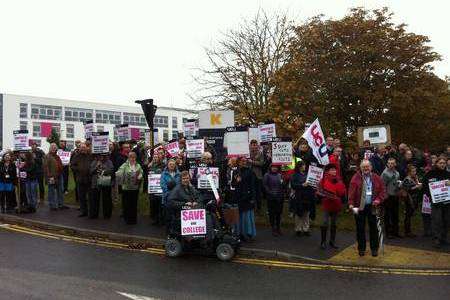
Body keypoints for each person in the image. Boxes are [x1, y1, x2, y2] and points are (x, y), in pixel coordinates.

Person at [348, 160, 386, 257]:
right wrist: (351, 203)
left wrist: (378, 200)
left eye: (367, 166)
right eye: (364, 167)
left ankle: (374, 249)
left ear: (371, 167)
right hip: (359, 206)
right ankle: (361, 248)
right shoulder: (355, 178)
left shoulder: (377, 177)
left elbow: (383, 191)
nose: (366, 168)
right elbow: (351, 192)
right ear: (360, 168)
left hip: (372, 206)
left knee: (373, 228)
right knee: (360, 228)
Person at [317, 164, 346, 250]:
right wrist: (323, 195)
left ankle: (332, 241)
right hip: (327, 204)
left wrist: (341, 193)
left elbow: (341, 192)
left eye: (335, 170)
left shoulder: (339, 180)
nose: (334, 171)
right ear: (328, 171)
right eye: (332, 170)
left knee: (334, 224)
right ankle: (323, 242)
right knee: (325, 223)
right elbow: (319, 191)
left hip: (336, 205)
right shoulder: (323, 180)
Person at [422, 157, 450, 248]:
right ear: (436, 164)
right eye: (440, 163)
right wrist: (431, 196)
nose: (442, 165)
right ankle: (436, 238)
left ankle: (444, 238)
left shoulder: (448, 174)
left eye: (444, 163)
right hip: (436, 203)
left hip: (447, 202)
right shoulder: (430, 174)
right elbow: (425, 187)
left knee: (446, 220)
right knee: (436, 220)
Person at [167, 171, 202, 235]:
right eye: (184, 178)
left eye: (187, 178)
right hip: (181, 215)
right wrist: (184, 204)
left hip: (192, 214)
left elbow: (198, 196)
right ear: (181, 179)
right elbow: (170, 202)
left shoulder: (191, 188)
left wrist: (196, 202)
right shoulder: (177, 189)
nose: (186, 180)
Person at [116, 151, 143, 225]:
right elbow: (119, 172)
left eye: (134, 157)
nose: (132, 159)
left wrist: (140, 175)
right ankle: (127, 219)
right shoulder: (124, 165)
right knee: (126, 204)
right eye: (131, 157)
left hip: (135, 188)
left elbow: (141, 172)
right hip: (126, 188)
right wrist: (121, 174)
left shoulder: (138, 165)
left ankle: (133, 219)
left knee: (134, 204)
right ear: (128, 158)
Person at [290, 162, 315, 236]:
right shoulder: (295, 175)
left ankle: (306, 229)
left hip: (307, 196)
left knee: (306, 213)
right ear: (300, 167)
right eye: (303, 165)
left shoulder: (307, 174)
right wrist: (302, 185)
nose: (305, 166)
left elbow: (312, 183)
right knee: (299, 213)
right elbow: (293, 185)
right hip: (299, 196)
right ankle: (298, 229)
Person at [236, 157, 257, 241]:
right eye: (242, 161)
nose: (244, 162)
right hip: (238, 197)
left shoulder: (250, 171)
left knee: (247, 217)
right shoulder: (235, 171)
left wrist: (252, 197)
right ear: (238, 162)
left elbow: (253, 185)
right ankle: (240, 233)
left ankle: (249, 233)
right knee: (240, 217)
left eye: (245, 161)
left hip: (247, 197)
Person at [71, 142, 93, 217]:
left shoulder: (90, 156)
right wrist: (78, 169)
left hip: (89, 179)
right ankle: (84, 212)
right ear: (79, 148)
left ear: (87, 148)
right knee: (82, 196)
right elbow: (72, 165)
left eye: (84, 147)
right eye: (82, 148)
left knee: (90, 197)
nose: (83, 149)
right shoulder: (76, 156)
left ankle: (91, 212)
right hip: (80, 179)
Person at [381, 157, 402, 239]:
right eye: (389, 163)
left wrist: (399, 185)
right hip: (388, 196)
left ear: (395, 164)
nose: (391, 165)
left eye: (392, 163)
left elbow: (397, 182)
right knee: (387, 215)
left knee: (395, 214)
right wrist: (385, 195)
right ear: (387, 164)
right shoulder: (385, 173)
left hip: (395, 195)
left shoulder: (397, 173)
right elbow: (382, 185)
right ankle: (388, 232)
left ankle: (395, 231)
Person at [89, 154, 114, 219]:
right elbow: (91, 171)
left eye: (103, 156)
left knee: (107, 199)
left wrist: (103, 171)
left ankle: (107, 215)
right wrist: (96, 167)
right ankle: (94, 214)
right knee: (95, 199)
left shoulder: (109, 161)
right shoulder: (94, 161)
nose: (101, 157)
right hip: (95, 183)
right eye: (100, 156)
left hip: (105, 182)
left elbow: (111, 170)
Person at [401, 165, 423, 237]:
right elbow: (407, 189)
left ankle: (409, 231)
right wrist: (416, 186)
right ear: (409, 172)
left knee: (410, 215)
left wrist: (417, 182)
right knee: (408, 215)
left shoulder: (414, 178)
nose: (415, 172)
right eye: (413, 171)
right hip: (409, 199)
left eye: (415, 171)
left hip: (414, 199)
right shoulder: (407, 179)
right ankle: (407, 231)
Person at [263, 164, 285, 236]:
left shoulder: (280, 175)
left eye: (276, 167)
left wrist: (283, 182)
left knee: (279, 213)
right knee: (272, 214)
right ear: (270, 168)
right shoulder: (267, 175)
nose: (274, 168)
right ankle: (273, 228)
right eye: (273, 167)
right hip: (271, 198)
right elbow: (265, 185)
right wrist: (270, 192)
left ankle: (278, 227)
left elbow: (283, 186)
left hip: (279, 197)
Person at [43, 143, 64, 211]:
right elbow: (46, 167)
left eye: (55, 147)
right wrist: (49, 176)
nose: (53, 148)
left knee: (60, 190)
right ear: (50, 148)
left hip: (59, 175)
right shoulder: (47, 156)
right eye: (52, 147)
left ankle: (60, 204)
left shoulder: (57, 156)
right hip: (51, 176)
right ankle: (52, 205)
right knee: (51, 191)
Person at [160, 159, 181, 224]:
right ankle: (168, 232)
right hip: (167, 197)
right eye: (170, 164)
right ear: (167, 165)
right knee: (168, 216)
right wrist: (170, 193)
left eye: (173, 164)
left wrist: (175, 193)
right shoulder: (163, 174)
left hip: (177, 198)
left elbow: (180, 185)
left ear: (175, 165)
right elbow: (163, 185)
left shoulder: (179, 174)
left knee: (176, 215)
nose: (172, 166)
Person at [148, 152, 165, 225]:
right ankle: (155, 219)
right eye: (154, 157)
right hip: (153, 188)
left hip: (160, 188)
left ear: (159, 158)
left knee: (160, 205)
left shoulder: (163, 165)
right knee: (153, 204)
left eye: (156, 157)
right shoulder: (151, 166)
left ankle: (161, 220)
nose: (155, 158)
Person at [249, 139, 265, 211]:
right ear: (250, 145)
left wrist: (252, 162)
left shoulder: (260, 153)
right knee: (251, 191)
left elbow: (261, 163)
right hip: (249, 175)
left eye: (255, 145)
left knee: (258, 192)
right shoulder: (247, 152)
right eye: (253, 145)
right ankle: (252, 207)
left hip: (258, 175)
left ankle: (259, 208)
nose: (254, 146)